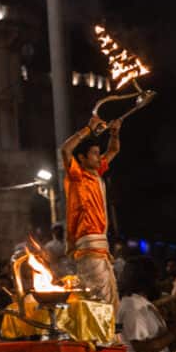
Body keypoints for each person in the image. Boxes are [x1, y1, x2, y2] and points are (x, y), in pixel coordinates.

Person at [59, 115, 123, 312]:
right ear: (82, 158)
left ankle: (113, 340)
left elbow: (114, 149)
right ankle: (104, 341)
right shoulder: (77, 175)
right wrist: (88, 129)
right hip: (88, 246)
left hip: (101, 248)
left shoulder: (95, 173)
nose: (99, 156)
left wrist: (114, 132)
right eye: (94, 153)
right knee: (101, 303)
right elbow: (65, 149)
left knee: (111, 301)